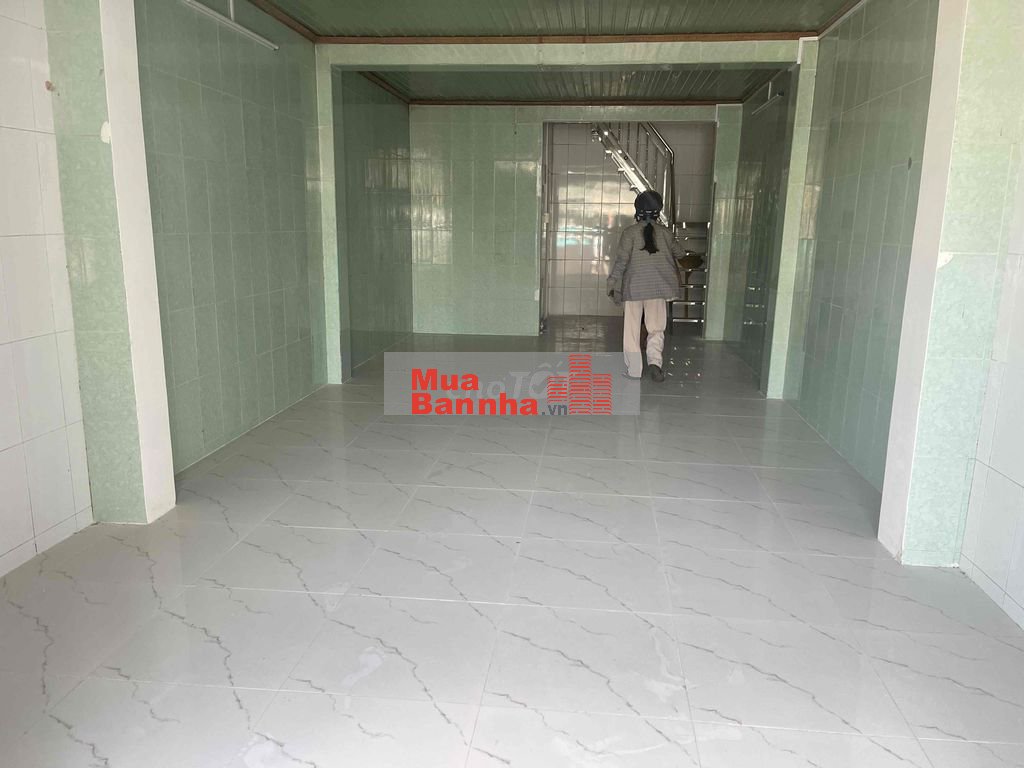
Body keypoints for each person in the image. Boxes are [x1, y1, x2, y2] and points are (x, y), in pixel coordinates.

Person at [607, 190, 685, 382]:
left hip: (633, 288)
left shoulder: (629, 233)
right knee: (656, 328)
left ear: (637, 211)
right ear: (658, 211)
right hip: (658, 288)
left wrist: (612, 282)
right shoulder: (666, 233)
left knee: (632, 332)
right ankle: (655, 363)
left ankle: (634, 370)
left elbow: (621, 262)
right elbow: (680, 254)